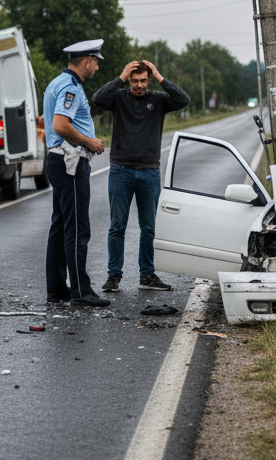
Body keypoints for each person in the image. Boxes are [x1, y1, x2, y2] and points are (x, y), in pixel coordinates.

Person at [93, 60, 190, 292]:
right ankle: (113, 277)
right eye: (134, 81)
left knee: (149, 228)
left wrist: (159, 75)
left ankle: (147, 275)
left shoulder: (158, 100)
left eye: (143, 80)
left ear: (148, 79)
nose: (139, 85)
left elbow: (183, 99)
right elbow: (97, 99)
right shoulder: (119, 97)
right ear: (129, 80)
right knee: (117, 226)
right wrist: (120, 76)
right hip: (120, 170)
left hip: (149, 171)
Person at [44, 40, 109, 307]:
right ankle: (81, 291)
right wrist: (88, 141)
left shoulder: (57, 82)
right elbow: (60, 124)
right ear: (85, 61)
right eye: (95, 61)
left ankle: (58, 289)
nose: (96, 66)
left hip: (58, 161)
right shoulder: (71, 87)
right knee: (77, 227)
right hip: (70, 162)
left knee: (60, 226)